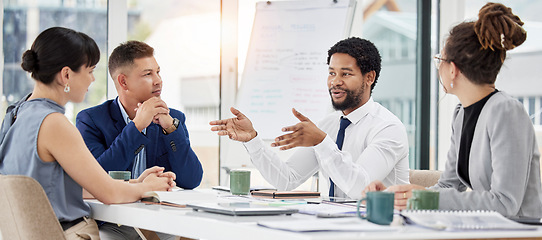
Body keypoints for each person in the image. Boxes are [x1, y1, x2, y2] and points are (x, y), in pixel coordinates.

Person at [364, 3, 542, 218]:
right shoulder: (461, 113)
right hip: (483, 227)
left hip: (518, 231)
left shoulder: (506, 111)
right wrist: (398, 197)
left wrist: (425, 199)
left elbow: (505, 203)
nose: (438, 67)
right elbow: (448, 186)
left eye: (440, 60)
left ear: (453, 69)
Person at [0, 27, 175, 240]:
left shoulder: (16, 116)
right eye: (90, 70)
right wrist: (145, 188)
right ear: (66, 75)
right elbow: (108, 193)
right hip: (70, 234)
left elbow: (67, 187)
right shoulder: (54, 123)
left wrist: (137, 183)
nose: (92, 80)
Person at [210, 37, 409, 199]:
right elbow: (287, 180)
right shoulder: (329, 124)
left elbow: (362, 189)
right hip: (329, 226)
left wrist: (322, 142)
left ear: (369, 77)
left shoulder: (388, 128)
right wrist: (253, 140)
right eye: (331, 73)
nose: (335, 82)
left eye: (346, 74)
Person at [76, 40, 203, 239]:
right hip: (111, 220)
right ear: (123, 82)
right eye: (148, 74)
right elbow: (98, 177)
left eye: (158, 72)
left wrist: (171, 129)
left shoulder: (173, 118)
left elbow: (191, 179)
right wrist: (137, 127)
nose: (158, 80)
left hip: (158, 219)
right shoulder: (91, 120)